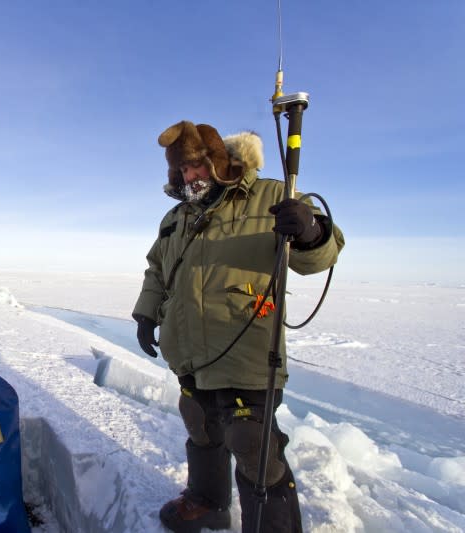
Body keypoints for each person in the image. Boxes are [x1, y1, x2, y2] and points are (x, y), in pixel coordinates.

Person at [132, 121, 344, 533]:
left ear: (217, 160)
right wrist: (146, 313)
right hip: (189, 347)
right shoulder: (176, 216)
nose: (190, 177)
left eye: (196, 166)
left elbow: (320, 254)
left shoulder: (270, 196)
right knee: (200, 422)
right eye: (182, 171)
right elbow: (157, 269)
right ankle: (208, 502)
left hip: (246, 346)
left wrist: (310, 231)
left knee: (252, 444)